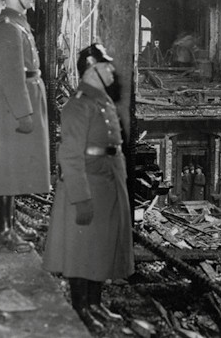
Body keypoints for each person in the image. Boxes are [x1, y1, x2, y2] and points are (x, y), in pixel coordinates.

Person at [43, 43, 134, 332]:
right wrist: (80, 198)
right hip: (88, 183)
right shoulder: (78, 104)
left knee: (101, 245)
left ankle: (95, 303)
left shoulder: (102, 100)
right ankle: (80, 307)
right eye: (106, 66)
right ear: (92, 68)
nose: (111, 71)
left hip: (107, 181)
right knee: (81, 248)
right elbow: (70, 155)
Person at [0, 0, 50, 253]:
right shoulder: (8, 26)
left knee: (12, 167)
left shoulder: (19, 22)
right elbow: (10, 75)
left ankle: (9, 225)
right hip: (12, 103)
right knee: (5, 169)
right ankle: (3, 232)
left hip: (22, 97)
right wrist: (23, 112)